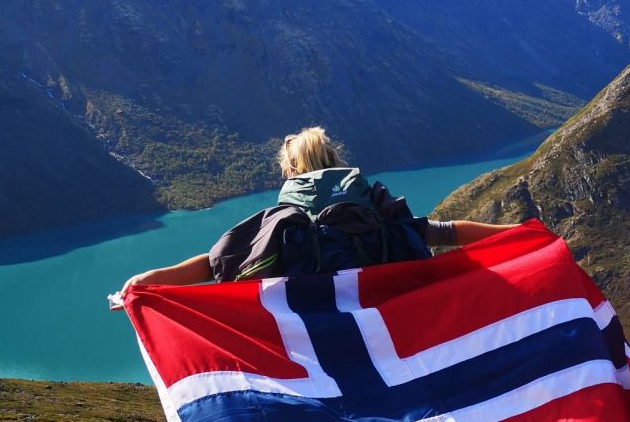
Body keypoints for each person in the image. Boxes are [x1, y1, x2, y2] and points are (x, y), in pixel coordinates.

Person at [113, 127, 516, 300]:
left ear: (290, 171)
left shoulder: (284, 222)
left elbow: (214, 264)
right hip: (396, 319)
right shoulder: (374, 205)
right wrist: (518, 233)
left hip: (326, 336)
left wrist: (148, 282)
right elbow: (444, 232)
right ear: (336, 159)